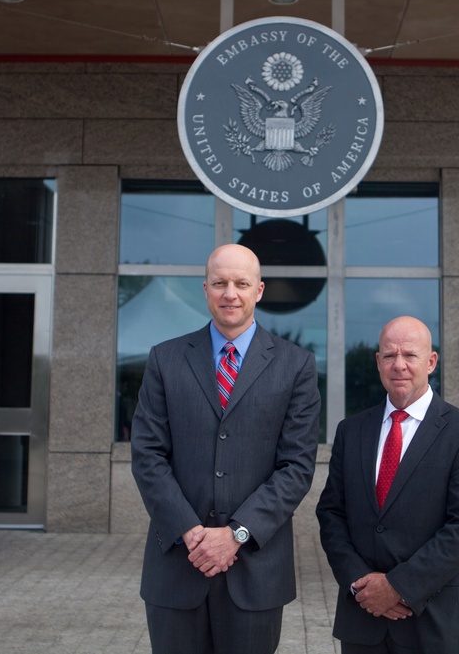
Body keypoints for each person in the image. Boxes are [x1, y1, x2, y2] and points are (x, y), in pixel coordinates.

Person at [131, 243, 321, 654]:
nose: (230, 293)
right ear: (205, 289)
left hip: (255, 570)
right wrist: (190, 532)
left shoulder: (296, 366)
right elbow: (147, 455)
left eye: (241, 283)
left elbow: (297, 466)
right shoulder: (166, 359)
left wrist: (236, 534)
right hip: (177, 565)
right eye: (219, 283)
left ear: (259, 290)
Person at [316, 315, 459, 654]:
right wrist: (360, 585)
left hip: (434, 622)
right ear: (378, 362)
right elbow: (331, 514)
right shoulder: (351, 431)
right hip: (363, 620)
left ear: (431, 362)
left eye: (410, 355)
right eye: (389, 355)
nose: (399, 365)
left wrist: (398, 587)